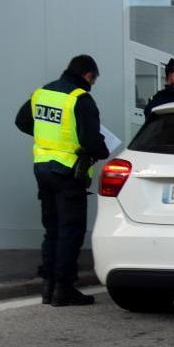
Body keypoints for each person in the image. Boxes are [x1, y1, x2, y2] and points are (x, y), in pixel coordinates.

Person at [13, 54, 109, 307]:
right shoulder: (81, 99)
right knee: (71, 230)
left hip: (42, 168)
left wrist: (48, 137)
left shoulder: (42, 93)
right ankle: (63, 289)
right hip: (67, 172)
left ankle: (48, 287)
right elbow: (91, 142)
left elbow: (22, 121)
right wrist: (102, 150)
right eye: (93, 81)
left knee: (52, 228)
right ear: (88, 75)